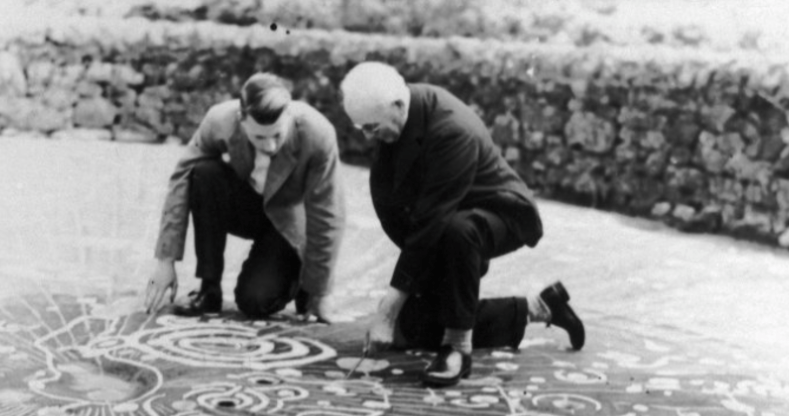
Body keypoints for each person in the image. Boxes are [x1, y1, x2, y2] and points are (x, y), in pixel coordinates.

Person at [339, 62, 585, 387]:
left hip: (502, 212)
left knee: (459, 231)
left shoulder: (453, 129)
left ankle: (457, 347)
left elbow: (431, 222)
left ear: (398, 105)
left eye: (372, 127)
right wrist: (423, 283)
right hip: (450, 219)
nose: (370, 137)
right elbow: (401, 208)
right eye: (363, 129)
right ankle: (538, 308)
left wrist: (387, 307)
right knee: (412, 328)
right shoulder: (396, 111)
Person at [144, 73, 345, 321]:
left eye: (277, 136)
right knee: (203, 174)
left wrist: (320, 291)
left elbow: (328, 213)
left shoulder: (318, 133)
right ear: (242, 121)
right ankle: (209, 289)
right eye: (260, 137)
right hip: (250, 207)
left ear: (289, 117)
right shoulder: (220, 120)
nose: (270, 146)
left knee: (255, 302)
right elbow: (181, 177)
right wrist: (166, 261)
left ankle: (298, 280)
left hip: (288, 222)